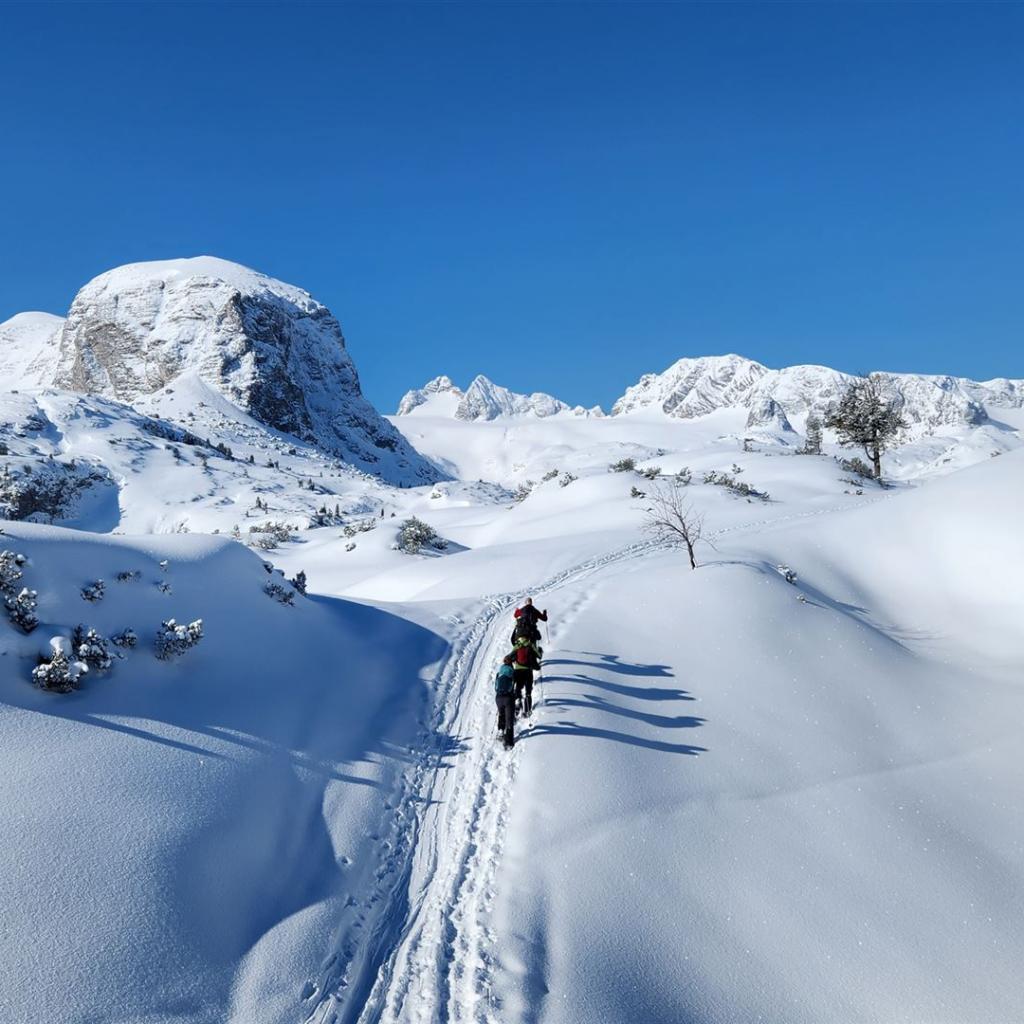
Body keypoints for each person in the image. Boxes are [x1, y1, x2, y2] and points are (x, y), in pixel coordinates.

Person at [512, 635, 541, 717]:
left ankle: (518, 701)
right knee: (528, 691)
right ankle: (527, 710)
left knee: (518, 688)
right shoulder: (530, 644)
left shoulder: (517, 645)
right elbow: (539, 655)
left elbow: (511, 656)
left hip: (518, 671)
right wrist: (539, 651)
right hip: (528, 671)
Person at [494, 654, 517, 748]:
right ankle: (509, 742)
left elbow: (495, 686)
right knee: (509, 719)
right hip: (508, 698)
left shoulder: (499, 672)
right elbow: (514, 684)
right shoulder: (512, 671)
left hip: (498, 698)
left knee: (501, 714)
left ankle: (500, 731)